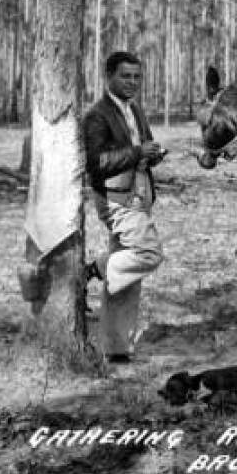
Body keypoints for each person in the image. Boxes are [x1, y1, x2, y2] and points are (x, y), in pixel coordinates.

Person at [84, 51, 166, 364]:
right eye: (125, 76)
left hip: (140, 194)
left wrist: (151, 154)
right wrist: (135, 152)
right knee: (147, 254)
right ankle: (93, 269)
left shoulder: (136, 110)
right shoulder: (97, 115)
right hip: (116, 200)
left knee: (128, 279)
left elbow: (140, 148)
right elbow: (97, 163)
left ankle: (116, 349)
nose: (132, 82)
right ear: (109, 77)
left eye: (137, 77)